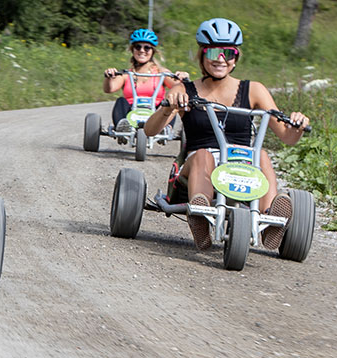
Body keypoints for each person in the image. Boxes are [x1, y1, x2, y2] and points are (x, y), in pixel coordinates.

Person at [143, 18, 309, 251]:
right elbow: (150, 131)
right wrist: (168, 107)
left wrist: (298, 126)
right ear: (202, 55)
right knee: (203, 154)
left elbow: (287, 137)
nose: (220, 59)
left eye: (228, 53)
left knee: (260, 154)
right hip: (199, 166)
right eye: (213, 52)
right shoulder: (184, 90)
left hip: (242, 167)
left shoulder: (254, 90)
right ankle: (200, 212)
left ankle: (271, 218)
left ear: (236, 57)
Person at [102, 28, 187, 133]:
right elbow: (109, 89)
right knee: (121, 101)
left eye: (147, 48)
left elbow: (179, 87)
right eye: (138, 47)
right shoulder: (127, 74)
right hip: (130, 112)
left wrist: (183, 77)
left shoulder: (161, 73)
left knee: (169, 102)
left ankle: (165, 127)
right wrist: (109, 77)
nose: (142, 50)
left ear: (152, 51)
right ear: (133, 50)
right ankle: (123, 126)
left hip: (156, 113)